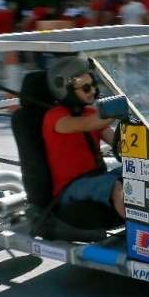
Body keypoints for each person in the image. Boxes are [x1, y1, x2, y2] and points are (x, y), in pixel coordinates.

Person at [42, 57, 125, 219]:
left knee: (138, 174)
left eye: (93, 85)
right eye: (86, 88)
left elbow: (119, 143)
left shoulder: (90, 113)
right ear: (66, 90)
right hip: (70, 188)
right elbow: (89, 124)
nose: (93, 91)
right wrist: (128, 105)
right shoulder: (55, 118)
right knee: (115, 186)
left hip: (96, 178)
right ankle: (137, 234)